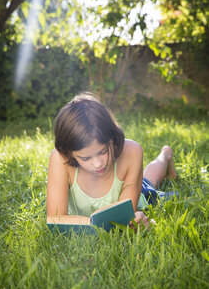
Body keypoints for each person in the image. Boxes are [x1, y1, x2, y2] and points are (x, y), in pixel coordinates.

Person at [47, 92, 177, 227]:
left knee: (149, 182)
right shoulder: (59, 158)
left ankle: (165, 155)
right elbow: (56, 218)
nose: (98, 164)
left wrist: (135, 220)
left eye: (102, 152)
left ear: (113, 138)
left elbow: (124, 214)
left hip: (138, 191)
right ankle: (165, 155)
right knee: (146, 178)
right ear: (70, 154)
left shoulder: (132, 151)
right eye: (85, 158)